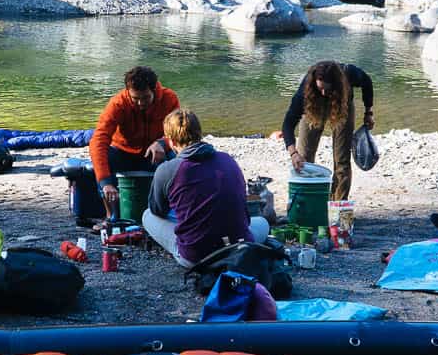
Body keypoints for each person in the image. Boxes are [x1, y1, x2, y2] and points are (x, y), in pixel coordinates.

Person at [143, 109, 270, 267]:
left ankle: (188, 248)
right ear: (199, 134)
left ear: (171, 142)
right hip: (238, 245)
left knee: (147, 215)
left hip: (196, 257)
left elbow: (157, 210)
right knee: (263, 222)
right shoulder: (227, 159)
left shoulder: (168, 169)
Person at [90, 66, 180, 219]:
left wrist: (163, 143)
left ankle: (170, 211)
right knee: (104, 159)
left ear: (154, 90)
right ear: (128, 92)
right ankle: (111, 216)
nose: (140, 103)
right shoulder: (118, 103)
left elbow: (179, 133)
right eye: (135, 98)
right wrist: (105, 182)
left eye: (145, 98)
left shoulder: (169, 98)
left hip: (153, 154)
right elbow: (99, 140)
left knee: (175, 160)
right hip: (123, 153)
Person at [281, 60, 374, 201]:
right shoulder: (305, 90)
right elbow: (288, 124)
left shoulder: (349, 73)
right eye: (320, 89)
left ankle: (337, 205)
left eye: (328, 90)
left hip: (342, 105)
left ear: (336, 85)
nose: (324, 93)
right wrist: (293, 153)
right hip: (313, 106)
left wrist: (368, 113)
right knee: (303, 159)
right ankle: (306, 202)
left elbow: (367, 82)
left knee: (342, 160)